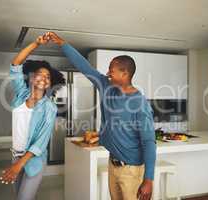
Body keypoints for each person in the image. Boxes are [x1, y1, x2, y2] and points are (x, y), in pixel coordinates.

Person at [48, 32, 156, 200]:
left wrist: (148, 179)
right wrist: (63, 44)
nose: (107, 73)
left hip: (132, 170)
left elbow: (149, 142)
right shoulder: (105, 86)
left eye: (111, 70)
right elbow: (85, 67)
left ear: (124, 74)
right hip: (113, 164)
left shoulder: (139, 103)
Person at [0, 34, 65, 200]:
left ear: (50, 83)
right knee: (19, 196)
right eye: (40, 74)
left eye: (48, 76)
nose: (44, 78)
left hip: (33, 160)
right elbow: (15, 65)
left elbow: (40, 143)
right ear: (31, 77)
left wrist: (18, 166)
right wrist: (36, 43)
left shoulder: (49, 107)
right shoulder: (21, 94)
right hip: (16, 155)